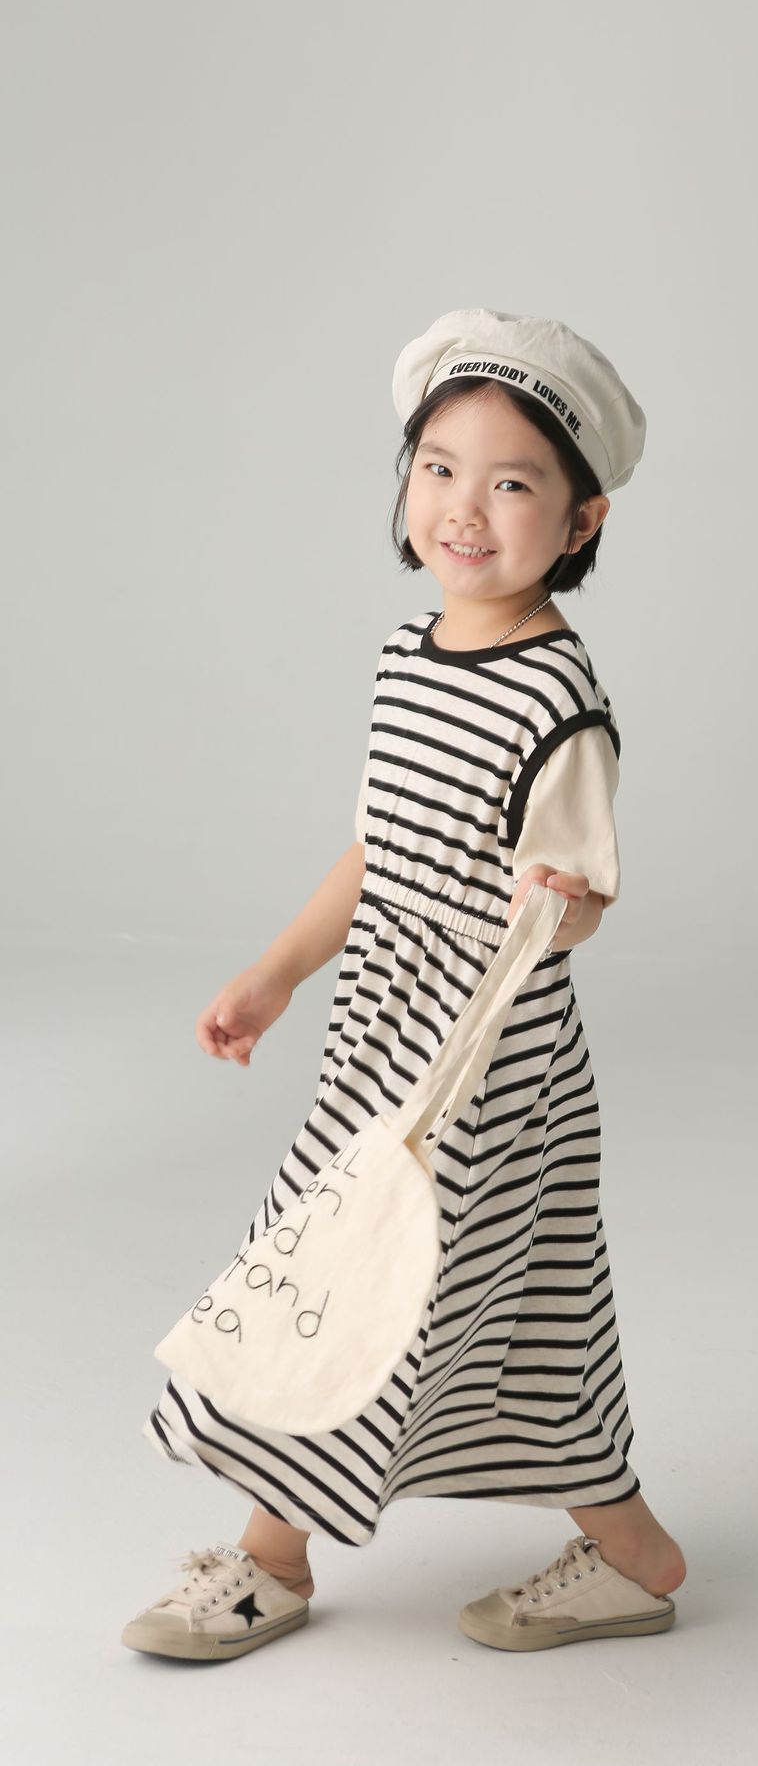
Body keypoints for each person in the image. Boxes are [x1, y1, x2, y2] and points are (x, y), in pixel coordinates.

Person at [121, 308, 687, 1663]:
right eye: (439, 468)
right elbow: (381, 848)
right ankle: (635, 1554)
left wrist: (556, 902)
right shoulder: (406, 657)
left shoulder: (558, 701)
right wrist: (276, 975)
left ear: (583, 519)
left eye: (512, 482)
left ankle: (271, 1558)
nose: (464, 508)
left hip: (478, 1070)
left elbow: (585, 896)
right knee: (531, 1323)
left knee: (349, 1285)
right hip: (379, 1040)